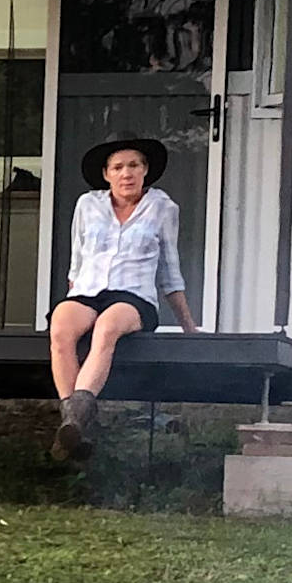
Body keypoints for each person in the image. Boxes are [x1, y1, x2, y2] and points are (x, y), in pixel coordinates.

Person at [51, 135, 196, 455]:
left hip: (133, 297)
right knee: (60, 327)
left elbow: (169, 271)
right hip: (88, 291)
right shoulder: (87, 204)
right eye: (118, 167)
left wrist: (189, 327)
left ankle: (74, 424)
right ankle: (74, 424)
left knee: (107, 327)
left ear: (145, 170)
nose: (126, 173)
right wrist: (72, 297)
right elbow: (77, 262)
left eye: (133, 166)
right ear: (106, 174)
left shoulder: (162, 207)